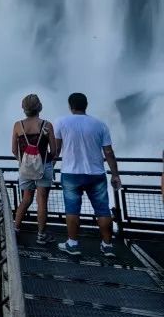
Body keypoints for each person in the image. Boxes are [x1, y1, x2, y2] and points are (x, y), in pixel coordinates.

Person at [55, 93, 121, 257]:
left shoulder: (61, 122)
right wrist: (115, 175)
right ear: (86, 105)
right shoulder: (100, 125)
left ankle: (73, 244)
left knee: (72, 210)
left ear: (70, 106)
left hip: (71, 173)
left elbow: (56, 151)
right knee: (102, 210)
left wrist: (48, 167)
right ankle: (107, 246)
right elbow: (109, 152)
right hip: (96, 173)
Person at [12, 94, 57, 244]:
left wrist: (24, 162)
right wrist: (44, 160)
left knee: (26, 199)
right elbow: (54, 151)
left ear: (24, 109)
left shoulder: (18, 126)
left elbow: (14, 150)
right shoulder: (47, 125)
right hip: (43, 167)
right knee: (42, 200)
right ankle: (41, 235)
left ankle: (15, 230)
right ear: (39, 107)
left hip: (25, 168)